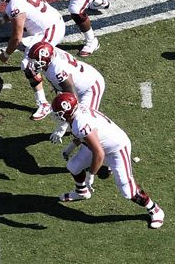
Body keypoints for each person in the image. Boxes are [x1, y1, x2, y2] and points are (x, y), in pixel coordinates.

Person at [52, 92, 164, 229]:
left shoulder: (80, 123)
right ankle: (82, 192)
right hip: (100, 144)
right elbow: (84, 136)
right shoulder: (78, 112)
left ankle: (154, 209)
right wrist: (70, 147)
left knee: (127, 190)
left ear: (67, 112)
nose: (57, 115)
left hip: (116, 148)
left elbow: (98, 153)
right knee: (73, 166)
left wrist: (90, 175)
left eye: (59, 113)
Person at [0, 0, 67, 119]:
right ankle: (51, 57)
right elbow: (7, 17)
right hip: (50, 22)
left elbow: (16, 38)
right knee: (26, 48)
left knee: (28, 66)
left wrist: (6, 55)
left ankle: (43, 104)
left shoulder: (15, 4)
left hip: (50, 30)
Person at [24, 41, 106, 144]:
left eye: (35, 61)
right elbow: (61, 90)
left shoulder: (57, 70)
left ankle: (100, 145)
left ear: (45, 59)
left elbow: (71, 98)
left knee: (84, 122)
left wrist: (61, 128)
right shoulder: (52, 59)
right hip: (78, 81)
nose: (32, 63)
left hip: (90, 87)